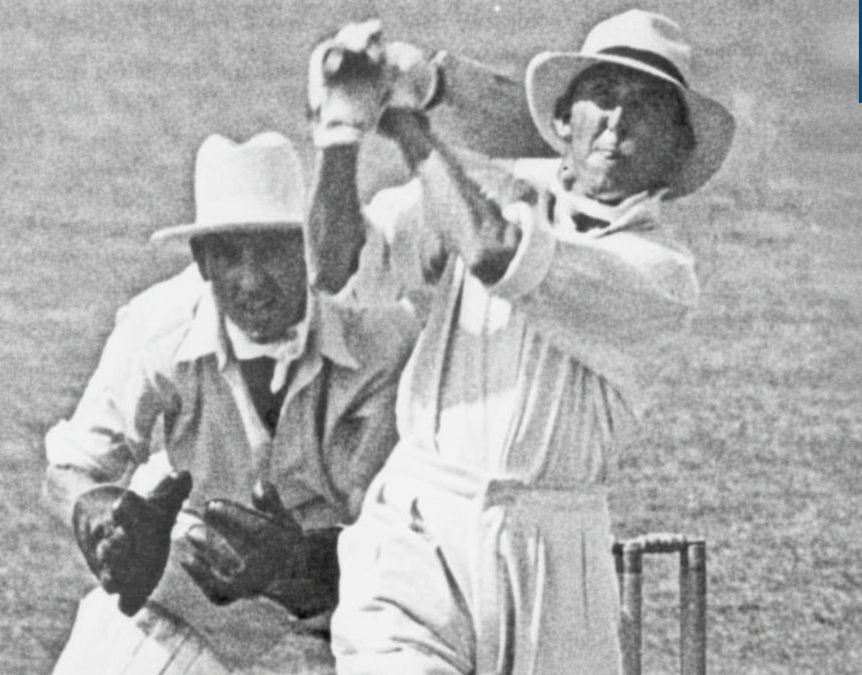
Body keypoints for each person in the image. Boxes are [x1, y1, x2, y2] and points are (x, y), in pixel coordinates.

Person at [305, 10, 734, 674]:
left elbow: (493, 252)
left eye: (646, 107)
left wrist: (408, 121)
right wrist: (339, 128)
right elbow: (338, 268)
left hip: (556, 556)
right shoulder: (490, 191)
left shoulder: (661, 273)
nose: (618, 121)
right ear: (564, 121)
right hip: (418, 525)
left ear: (679, 152)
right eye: (605, 97)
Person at [43, 131, 416, 674]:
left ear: (310, 245)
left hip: (341, 602)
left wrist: (293, 566)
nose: (250, 279)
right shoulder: (159, 325)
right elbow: (71, 467)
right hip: (193, 577)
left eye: (271, 250)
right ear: (201, 260)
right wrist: (98, 518)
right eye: (228, 253)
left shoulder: (384, 342)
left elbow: (393, 540)